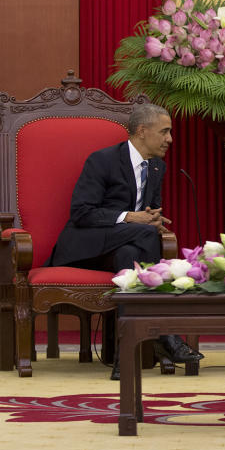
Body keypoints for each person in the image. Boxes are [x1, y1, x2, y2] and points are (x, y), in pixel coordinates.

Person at [47, 102, 203, 373]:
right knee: (143, 234)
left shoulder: (157, 167)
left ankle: (124, 360)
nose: (170, 139)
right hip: (87, 247)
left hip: (125, 247)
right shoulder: (102, 160)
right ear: (142, 131)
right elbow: (81, 213)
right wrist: (131, 218)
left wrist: (153, 220)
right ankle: (165, 335)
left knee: (129, 256)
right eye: (165, 132)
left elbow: (149, 211)